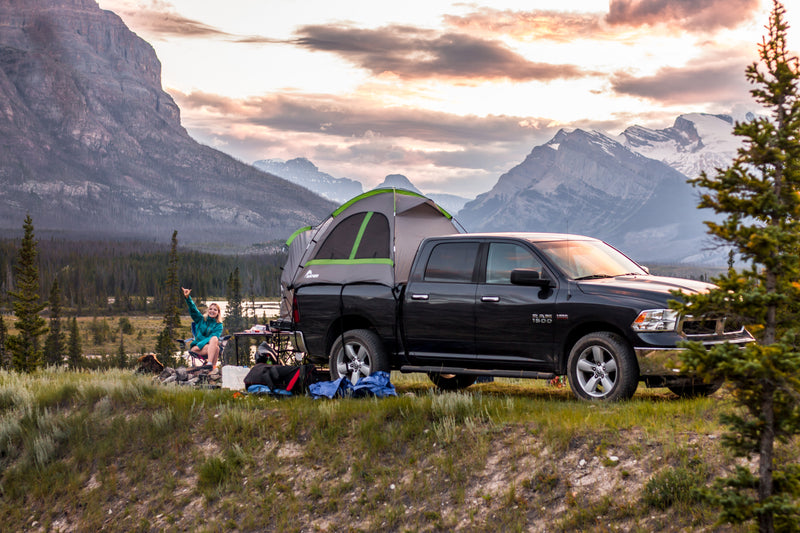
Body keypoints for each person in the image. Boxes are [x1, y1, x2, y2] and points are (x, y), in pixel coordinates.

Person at [182, 287, 224, 369]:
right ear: (208, 311)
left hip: (207, 347)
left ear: (218, 313)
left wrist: (201, 345)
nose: (212, 311)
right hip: (196, 348)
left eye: (215, 310)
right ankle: (212, 368)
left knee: (215, 340)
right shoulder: (201, 319)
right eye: (210, 309)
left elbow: (212, 338)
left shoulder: (219, 325)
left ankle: (209, 365)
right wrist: (188, 297)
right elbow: (194, 309)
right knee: (216, 347)